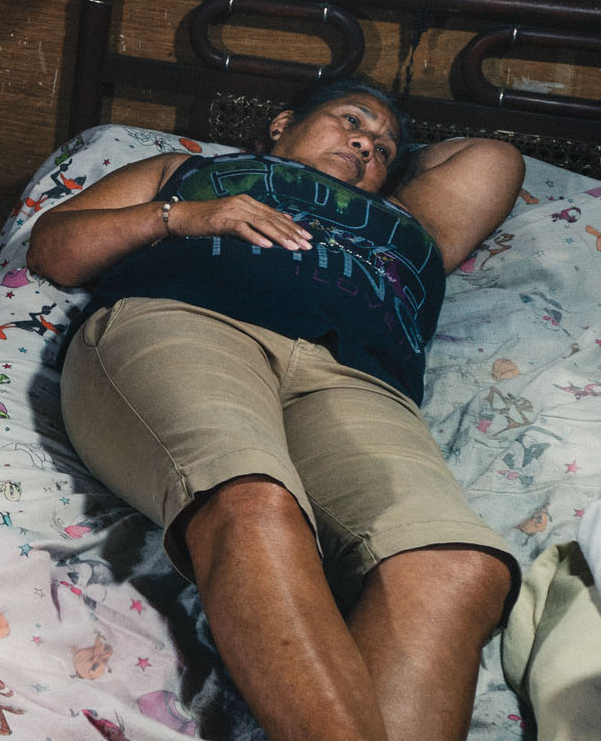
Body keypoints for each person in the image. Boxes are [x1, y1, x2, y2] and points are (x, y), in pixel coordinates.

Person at [29, 80, 524, 741]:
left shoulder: (411, 223)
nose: (366, 144)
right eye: (350, 121)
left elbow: (495, 156)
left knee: (457, 566)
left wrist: (393, 166)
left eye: (383, 149)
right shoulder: (191, 172)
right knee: (254, 503)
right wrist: (183, 216)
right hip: (188, 321)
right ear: (282, 122)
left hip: (358, 377)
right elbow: (54, 249)